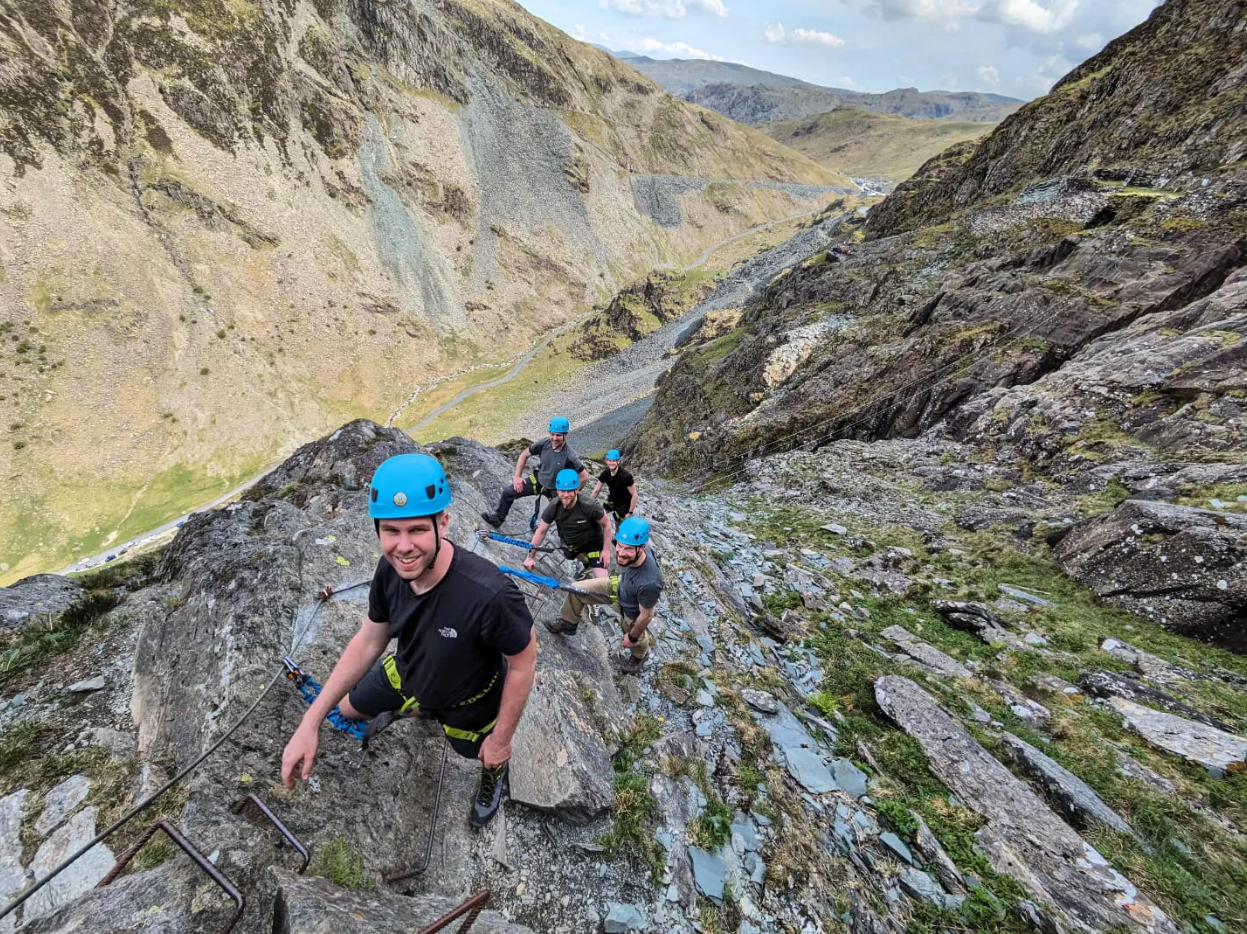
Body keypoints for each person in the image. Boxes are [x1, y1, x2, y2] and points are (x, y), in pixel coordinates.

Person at [281, 453, 537, 828]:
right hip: (405, 674)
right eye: (391, 531)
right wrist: (311, 721)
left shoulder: (490, 594)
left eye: (417, 530)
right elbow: (370, 639)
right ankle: (418, 708)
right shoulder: (389, 571)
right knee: (348, 711)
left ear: (443, 523)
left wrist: (500, 740)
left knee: (477, 752)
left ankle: (493, 772)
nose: (403, 547)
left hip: (469, 702)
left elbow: (523, 661)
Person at [549, 517, 662, 670]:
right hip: (619, 586)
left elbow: (646, 616)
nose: (621, 553)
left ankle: (639, 656)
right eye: (620, 546)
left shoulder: (650, 582)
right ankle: (568, 622)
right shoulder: (638, 547)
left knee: (634, 634)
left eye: (627, 549)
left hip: (632, 610)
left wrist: (631, 637)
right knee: (576, 590)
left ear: (641, 548)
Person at [524, 469, 613, 623]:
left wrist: (605, 550)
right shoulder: (554, 506)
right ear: (557, 490)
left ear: (576, 489)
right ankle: (587, 567)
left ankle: (592, 600)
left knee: (603, 584)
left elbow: (607, 525)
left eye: (569, 491)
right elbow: (542, 531)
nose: (565, 495)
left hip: (593, 544)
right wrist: (530, 557)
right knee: (570, 555)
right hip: (570, 544)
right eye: (562, 491)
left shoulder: (589, 505)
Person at [480, 416, 588, 529]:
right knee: (508, 492)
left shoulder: (570, 455)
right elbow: (524, 454)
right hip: (538, 480)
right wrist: (517, 477)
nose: (555, 438)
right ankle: (498, 519)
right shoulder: (544, 444)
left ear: (565, 435)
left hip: (556, 489)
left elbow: (584, 477)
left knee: (562, 517)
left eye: (559, 435)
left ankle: (564, 543)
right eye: (552, 434)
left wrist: (571, 494)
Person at [590, 449, 637, 527]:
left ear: (618, 462)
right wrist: (589, 503)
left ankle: (616, 537)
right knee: (602, 513)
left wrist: (630, 512)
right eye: (609, 460)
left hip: (625, 503)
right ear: (606, 461)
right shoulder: (606, 473)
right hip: (613, 498)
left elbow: (634, 495)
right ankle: (599, 531)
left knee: (618, 521)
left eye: (613, 461)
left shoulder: (626, 476)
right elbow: (596, 490)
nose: (611, 463)